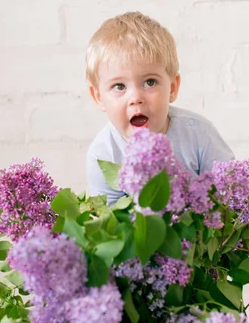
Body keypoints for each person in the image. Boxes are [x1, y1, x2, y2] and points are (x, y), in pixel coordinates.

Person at [85, 11, 234, 205]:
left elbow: (231, 195)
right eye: (119, 86)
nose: (135, 98)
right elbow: (109, 224)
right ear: (99, 97)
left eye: (149, 82)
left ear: (172, 88)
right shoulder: (103, 155)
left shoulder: (198, 135)